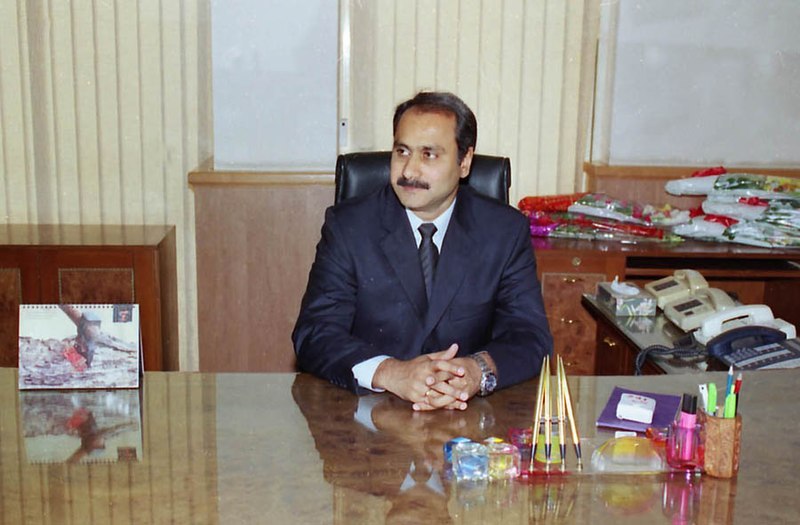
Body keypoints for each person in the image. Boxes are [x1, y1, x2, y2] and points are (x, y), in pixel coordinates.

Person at [293, 91, 552, 411]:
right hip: (369, 417)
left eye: (429, 155)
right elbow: (315, 333)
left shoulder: (503, 231)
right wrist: (390, 372)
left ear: (465, 161)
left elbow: (530, 337)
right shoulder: (349, 227)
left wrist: (474, 371)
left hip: (467, 420)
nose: (409, 171)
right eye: (402, 151)